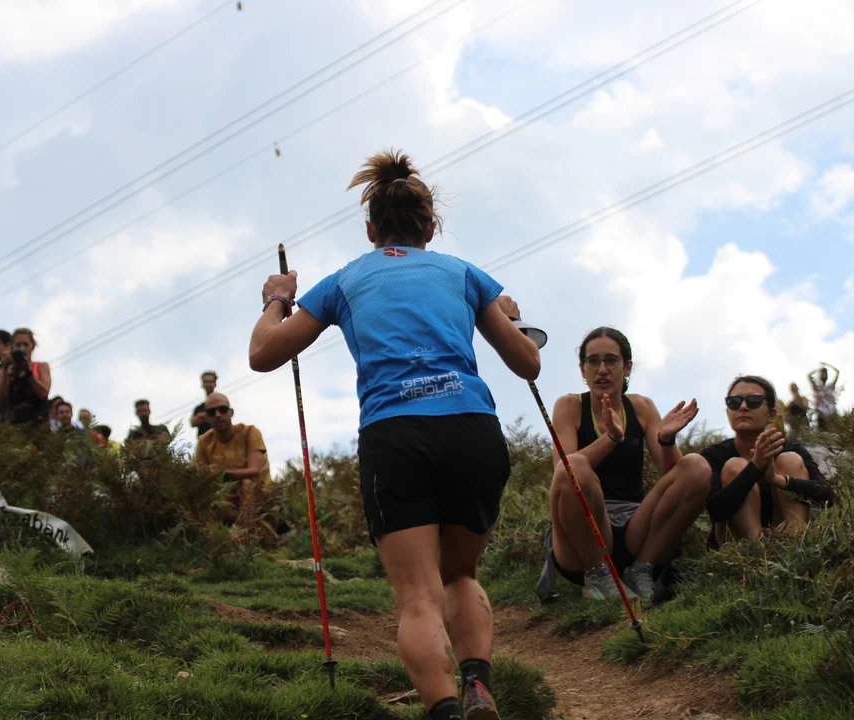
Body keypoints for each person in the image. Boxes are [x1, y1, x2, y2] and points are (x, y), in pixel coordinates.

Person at [248, 150, 542, 720]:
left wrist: (277, 297)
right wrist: (506, 316)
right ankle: (477, 686)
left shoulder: (344, 281)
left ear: (370, 230)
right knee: (460, 574)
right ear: (430, 228)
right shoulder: (463, 274)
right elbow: (528, 363)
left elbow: (263, 353)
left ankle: (445, 711)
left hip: (395, 433)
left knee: (416, 596)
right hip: (471, 428)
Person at [535, 327, 712, 604]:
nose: (602, 370)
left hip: (634, 531)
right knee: (575, 465)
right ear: (582, 370)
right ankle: (597, 576)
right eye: (593, 362)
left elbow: (676, 479)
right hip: (580, 542)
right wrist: (612, 438)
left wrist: (666, 440)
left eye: (611, 360)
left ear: (627, 367)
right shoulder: (569, 406)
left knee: (697, 467)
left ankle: (641, 570)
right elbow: (564, 471)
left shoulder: (642, 407)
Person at [701, 376, 834, 546]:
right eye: (734, 402)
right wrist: (754, 468)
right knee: (735, 466)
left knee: (790, 460)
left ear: (771, 414)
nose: (743, 407)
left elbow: (827, 496)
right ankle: (757, 550)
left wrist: (778, 480)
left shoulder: (789, 449)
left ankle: (795, 544)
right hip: (736, 546)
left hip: (784, 537)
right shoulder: (715, 455)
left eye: (754, 401)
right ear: (728, 412)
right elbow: (715, 511)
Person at [194, 393, 271, 507]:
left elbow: (254, 471)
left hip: (258, 499)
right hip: (223, 500)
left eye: (223, 409)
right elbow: (200, 476)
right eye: (212, 412)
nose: (218, 415)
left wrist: (222, 474)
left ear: (231, 412)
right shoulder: (204, 441)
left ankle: (248, 518)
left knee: (246, 484)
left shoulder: (250, 432)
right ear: (207, 418)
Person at [0, 328, 52, 432]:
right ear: (12, 347)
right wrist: (5, 368)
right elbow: (0, 399)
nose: (22, 348)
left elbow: (44, 393)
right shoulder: (9, 371)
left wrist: (29, 372)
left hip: (39, 426)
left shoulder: (40, 366)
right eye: (18, 345)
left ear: (32, 346)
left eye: (26, 344)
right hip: (15, 427)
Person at [808, 363, 840, 431]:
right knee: (823, 433)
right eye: (822, 373)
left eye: (825, 373)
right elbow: (808, 375)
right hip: (821, 415)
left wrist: (826, 364)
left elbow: (837, 372)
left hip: (832, 414)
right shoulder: (816, 388)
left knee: (836, 432)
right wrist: (818, 369)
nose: (824, 375)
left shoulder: (830, 386)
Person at [190, 371, 218, 437]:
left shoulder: (222, 403)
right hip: (204, 441)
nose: (208, 384)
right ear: (202, 385)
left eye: (210, 382)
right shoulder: (199, 408)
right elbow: (192, 423)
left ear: (215, 384)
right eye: (205, 382)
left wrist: (203, 416)